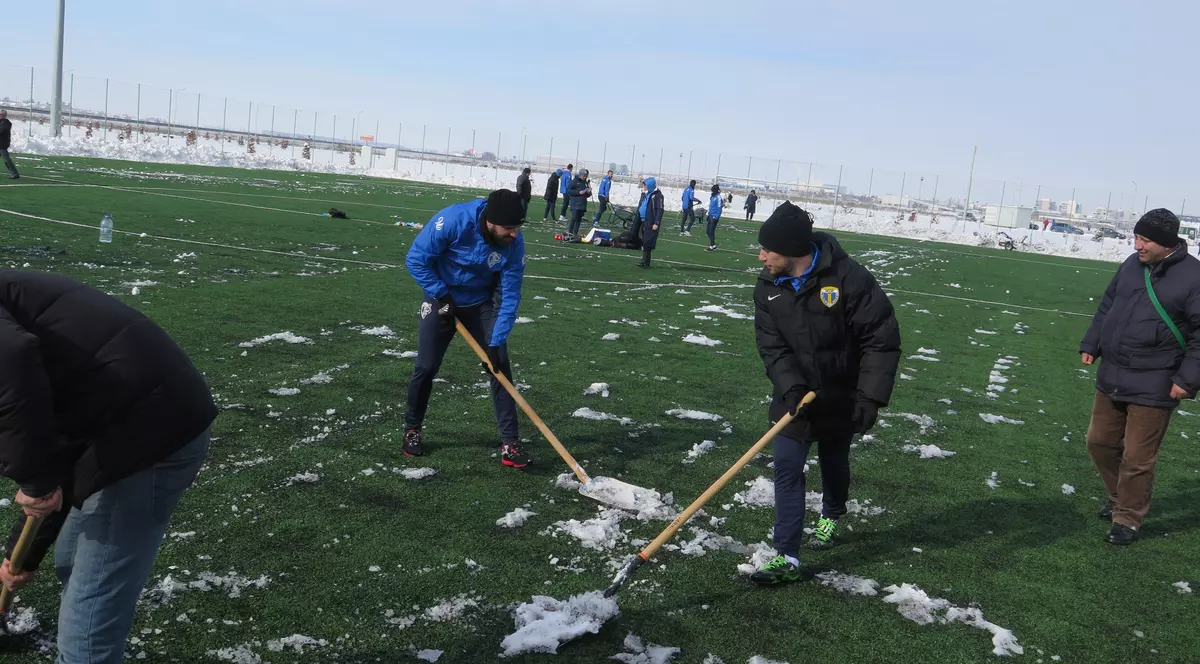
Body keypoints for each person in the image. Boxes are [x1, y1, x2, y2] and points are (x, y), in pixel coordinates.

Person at [0, 269, 216, 661]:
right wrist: (21, 555)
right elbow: (55, 456)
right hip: (118, 422)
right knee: (71, 560)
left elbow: (13, 361)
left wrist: (36, 480)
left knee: (92, 606)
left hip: (150, 429)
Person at [748, 202, 901, 585]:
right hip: (793, 399)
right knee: (787, 469)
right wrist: (791, 387)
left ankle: (832, 513)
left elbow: (880, 339)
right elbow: (771, 346)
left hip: (840, 397)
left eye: (768, 249)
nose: (762, 256)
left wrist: (869, 397)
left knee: (834, 463)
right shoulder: (767, 287)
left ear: (791, 249)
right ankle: (787, 556)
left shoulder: (849, 278)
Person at [1080, 208, 1200, 545]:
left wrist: (1187, 379)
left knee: (1137, 457)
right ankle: (1119, 496)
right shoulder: (1131, 265)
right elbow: (1108, 306)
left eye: (1145, 239)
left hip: (1157, 380)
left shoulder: (1194, 277)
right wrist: (1092, 342)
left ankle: (1127, 519)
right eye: (1136, 237)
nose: (1137, 246)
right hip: (1113, 372)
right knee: (1099, 442)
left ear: (1166, 242)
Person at [402, 189, 532, 468]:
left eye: (518, 227)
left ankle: (510, 444)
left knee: (500, 367)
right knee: (426, 367)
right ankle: (412, 429)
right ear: (491, 222)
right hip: (441, 298)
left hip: (479, 303)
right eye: (509, 228)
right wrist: (441, 294)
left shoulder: (514, 244)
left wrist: (496, 341)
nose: (514, 234)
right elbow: (416, 259)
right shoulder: (454, 220)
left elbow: (510, 296)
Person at [636, 177, 664, 268]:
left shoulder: (658, 196)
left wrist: (656, 223)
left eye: (645, 185)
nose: (644, 187)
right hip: (644, 220)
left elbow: (660, 210)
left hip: (651, 221)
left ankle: (645, 261)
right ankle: (644, 260)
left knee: (648, 241)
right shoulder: (648, 194)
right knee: (644, 240)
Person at [566, 168, 593, 237]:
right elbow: (569, 190)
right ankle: (570, 232)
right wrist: (578, 192)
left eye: (586, 176)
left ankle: (575, 233)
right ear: (580, 175)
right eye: (584, 176)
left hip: (582, 203)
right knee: (574, 218)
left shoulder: (585, 183)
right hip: (575, 203)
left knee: (579, 219)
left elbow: (588, 195)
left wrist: (589, 192)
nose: (585, 177)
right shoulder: (574, 181)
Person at [705, 184, 725, 251]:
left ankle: (712, 246)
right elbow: (711, 206)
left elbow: (719, 208)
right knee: (708, 231)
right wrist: (709, 214)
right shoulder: (712, 197)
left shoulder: (718, 197)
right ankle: (713, 245)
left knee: (711, 231)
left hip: (714, 217)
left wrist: (716, 217)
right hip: (710, 215)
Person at [0, 110, 18, 180]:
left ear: (4, 115)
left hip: (2, 144)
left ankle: (14, 173)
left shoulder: (5, 123)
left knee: (7, 159)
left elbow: (1, 131)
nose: (0, 115)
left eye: (1, 114)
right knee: (7, 159)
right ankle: (14, 173)